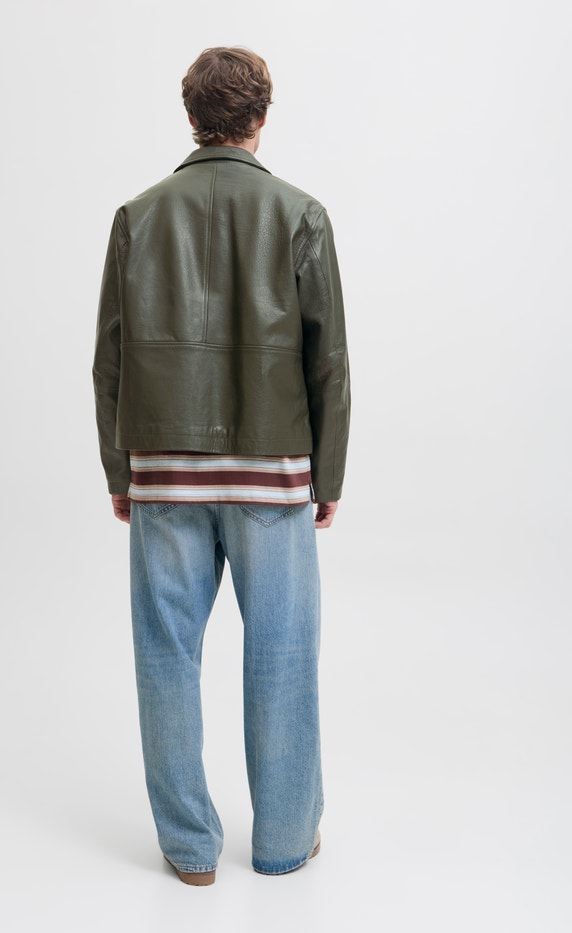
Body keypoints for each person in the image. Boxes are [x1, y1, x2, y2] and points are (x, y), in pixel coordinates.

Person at [92, 46, 350, 885]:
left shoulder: (138, 215)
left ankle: (189, 847)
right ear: (260, 118)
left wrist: (121, 473)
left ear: (192, 116)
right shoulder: (300, 214)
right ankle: (284, 838)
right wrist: (328, 477)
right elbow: (328, 363)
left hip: (165, 472)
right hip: (271, 475)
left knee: (165, 653)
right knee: (282, 651)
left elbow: (109, 359)